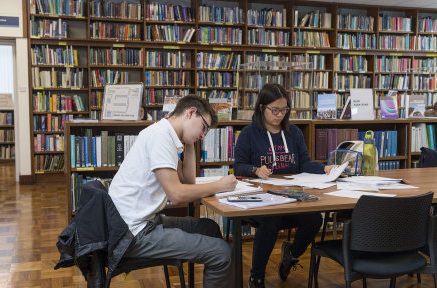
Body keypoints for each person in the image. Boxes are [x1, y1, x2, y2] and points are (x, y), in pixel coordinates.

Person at [109, 95, 237, 287]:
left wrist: (191, 141)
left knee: (208, 228)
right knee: (222, 253)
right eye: (204, 128)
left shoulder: (166, 134)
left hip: (140, 222)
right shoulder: (161, 136)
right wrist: (220, 185)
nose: (203, 135)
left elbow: (188, 180)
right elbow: (177, 195)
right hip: (131, 234)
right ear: (191, 112)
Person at [234, 84, 335, 288]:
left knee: (314, 219)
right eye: (275, 110)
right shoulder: (249, 134)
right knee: (271, 220)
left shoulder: (294, 133)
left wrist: (324, 169)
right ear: (261, 107)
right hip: (260, 200)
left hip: (291, 196)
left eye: (284, 110)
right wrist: (255, 170)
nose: (279, 115)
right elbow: (238, 166)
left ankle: (291, 255)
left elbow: (304, 163)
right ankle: (257, 276)